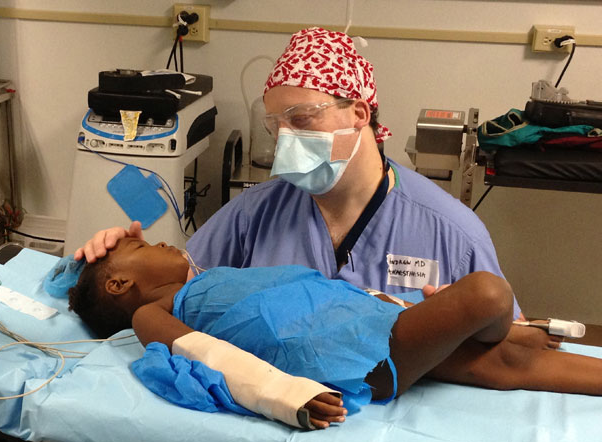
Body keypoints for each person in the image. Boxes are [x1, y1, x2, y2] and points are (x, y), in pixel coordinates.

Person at [75, 27, 553, 344]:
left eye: (301, 118)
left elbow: (514, 340)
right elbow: (172, 287)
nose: (285, 139)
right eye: (275, 126)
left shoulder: (451, 231)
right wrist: (112, 252)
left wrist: (467, 322)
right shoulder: (254, 213)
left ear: (359, 112)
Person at [68, 237, 602, 430]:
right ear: (118, 283)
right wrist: (284, 395)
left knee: (508, 363)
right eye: (142, 248)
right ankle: (503, 331)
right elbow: (206, 355)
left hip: (371, 324)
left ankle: (505, 339)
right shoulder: (152, 314)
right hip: (346, 356)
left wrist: (408, 307)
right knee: (487, 293)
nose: (163, 244)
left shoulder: (213, 278)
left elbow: (336, 297)